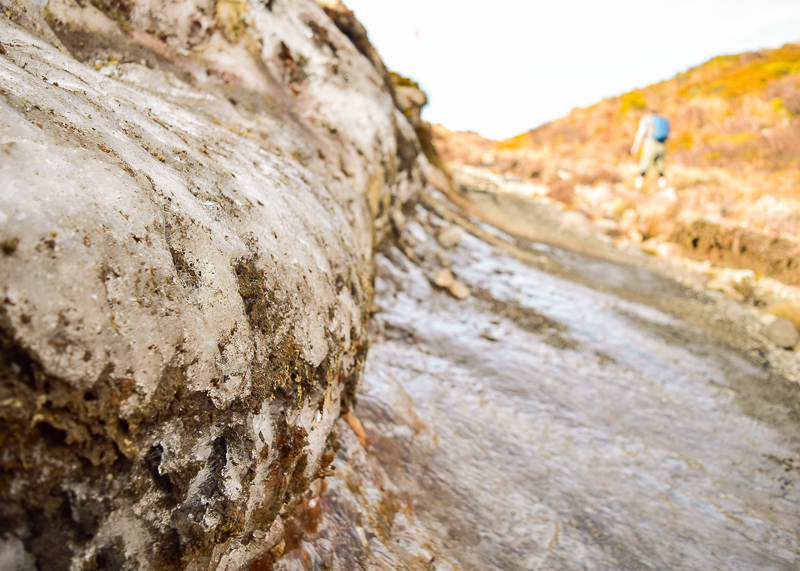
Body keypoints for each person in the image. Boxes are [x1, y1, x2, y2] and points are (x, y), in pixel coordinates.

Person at [630, 110, 669, 191]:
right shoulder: (660, 119)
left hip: (650, 146)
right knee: (661, 172)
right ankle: (665, 191)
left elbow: (641, 133)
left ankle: (636, 191)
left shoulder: (646, 120)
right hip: (662, 146)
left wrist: (635, 146)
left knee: (643, 170)